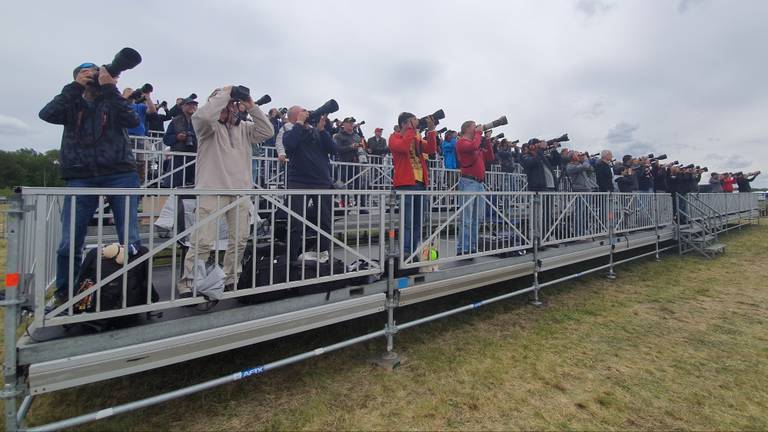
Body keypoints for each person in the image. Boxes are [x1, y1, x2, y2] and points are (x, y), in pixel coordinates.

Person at [39, 62, 143, 306]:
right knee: (69, 243)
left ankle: (133, 291)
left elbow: (132, 119)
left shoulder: (111, 100)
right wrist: (75, 87)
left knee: (130, 240)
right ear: (76, 78)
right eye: (87, 72)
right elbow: (46, 114)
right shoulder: (70, 102)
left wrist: (110, 89)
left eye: (96, 72)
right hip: (80, 174)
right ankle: (65, 293)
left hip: (120, 172)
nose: (93, 76)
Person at [179, 86, 274, 297]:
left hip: (240, 192)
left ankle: (231, 279)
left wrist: (251, 105)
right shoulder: (207, 128)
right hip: (212, 190)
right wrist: (225, 93)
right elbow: (203, 117)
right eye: (223, 104)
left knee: (239, 240)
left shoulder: (245, 129)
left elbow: (268, 131)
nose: (227, 108)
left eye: (230, 104)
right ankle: (190, 284)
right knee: (202, 241)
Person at [282, 106, 337, 262]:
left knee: (325, 222)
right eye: (302, 111)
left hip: (322, 182)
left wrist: (321, 130)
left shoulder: (317, 132)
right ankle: (291, 261)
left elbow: (333, 149)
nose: (307, 113)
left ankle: (323, 256)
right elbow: (290, 145)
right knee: (296, 224)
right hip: (299, 182)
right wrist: (299, 124)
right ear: (294, 116)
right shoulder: (289, 132)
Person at [388, 112, 437, 259]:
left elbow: (431, 149)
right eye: (413, 120)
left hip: (420, 183)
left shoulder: (415, 137)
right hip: (405, 184)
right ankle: (405, 252)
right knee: (407, 222)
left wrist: (431, 131)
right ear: (404, 123)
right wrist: (411, 130)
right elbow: (403, 147)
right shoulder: (394, 137)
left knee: (417, 222)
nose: (417, 122)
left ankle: (413, 252)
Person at [455, 120, 494, 254]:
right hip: (468, 182)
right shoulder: (461, 142)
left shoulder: (476, 143)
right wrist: (479, 133)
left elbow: (490, 157)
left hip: (479, 183)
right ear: (466, 129)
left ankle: (472, 247)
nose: (477, 128)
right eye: (474, 127)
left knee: (478, 218)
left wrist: (487, 140)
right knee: (466, 219)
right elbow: (472, 147)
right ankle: (462, 248)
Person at [163, 98, 199, 187]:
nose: (192, 107)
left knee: (196, 186)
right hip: (179, 157)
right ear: (183, 107)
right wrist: (177, 137)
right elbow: (166, 139)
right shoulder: (175, 121)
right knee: (172, 184)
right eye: (189, 104)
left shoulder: (200, 121)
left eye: (194, 105)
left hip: (196, 157)